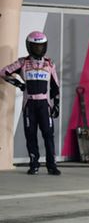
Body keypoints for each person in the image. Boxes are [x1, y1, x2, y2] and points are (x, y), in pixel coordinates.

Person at [1, 31, 61, 175]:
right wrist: (19, 84)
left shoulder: (49, 63)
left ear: (45, 46)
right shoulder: (23, 62)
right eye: (35, 46)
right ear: (29, 46)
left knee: (48, 134)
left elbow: (55, 86)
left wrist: (56, 104)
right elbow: (4, 72)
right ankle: (34, 164)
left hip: (44, 105)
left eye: (41, 46)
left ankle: (51, 165)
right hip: (29, 105)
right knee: (31, 135)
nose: (38, 49)